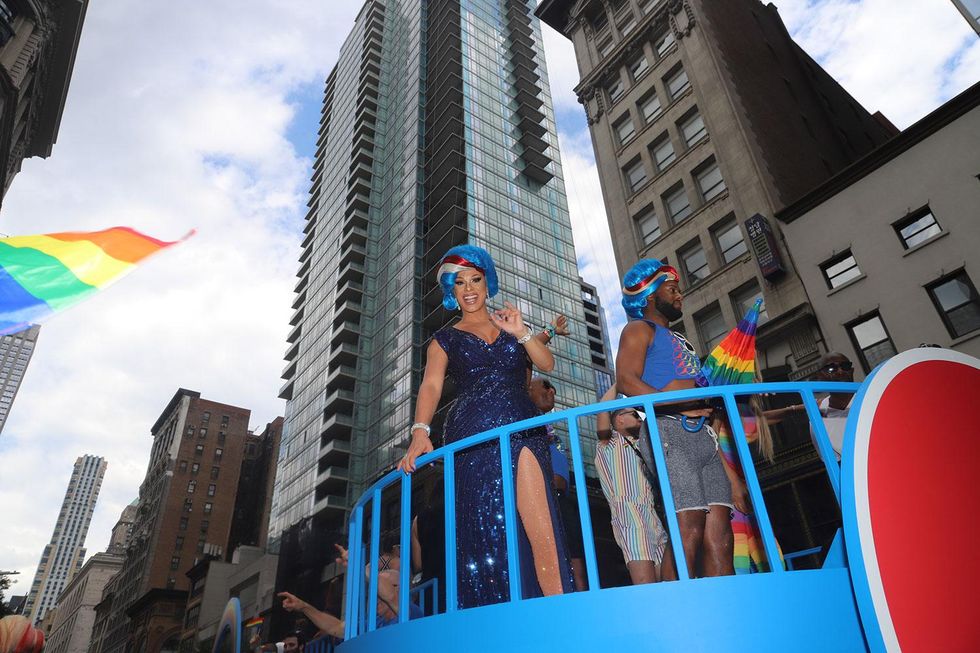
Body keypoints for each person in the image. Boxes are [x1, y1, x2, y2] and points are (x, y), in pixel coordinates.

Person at [398, 245, 574, 608]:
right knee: (487, 533)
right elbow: (431, 385)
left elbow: (547, 363)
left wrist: (522, 331)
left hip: (522, 425)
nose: (469, 288)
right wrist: (420, 432)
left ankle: (561, 617)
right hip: (472, 432)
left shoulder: (509, 325)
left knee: (540, 525)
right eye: (459, 282)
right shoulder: (443, 339)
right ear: (452, 291)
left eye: (475, 279)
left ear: (486, 280)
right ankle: (495, 627)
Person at [615, 258, 734, 578]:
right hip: (668, 431)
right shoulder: (638, 329)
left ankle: (726, 611)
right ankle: (676, 609)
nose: (680, 295)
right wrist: (675, 403)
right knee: (688, 526)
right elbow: (626, 380)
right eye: (672, 289)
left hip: (703, 438)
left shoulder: (682, 339)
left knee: (721, 534)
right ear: (651, 295)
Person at [594, 384, 670, 584]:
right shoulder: (610, 443)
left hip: (654, 516)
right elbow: (602, 408)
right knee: (646, 584)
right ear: (619, 419)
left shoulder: (645, 445)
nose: (640, 418)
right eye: (635, 414)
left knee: (668, 581)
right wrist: (621, 380)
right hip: (629, 514)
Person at [528, 376, 588, 591]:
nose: (551, 391)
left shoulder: (547, 428)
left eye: (552, 388)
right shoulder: (523, 422)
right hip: (542, 502)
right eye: (545, 386)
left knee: (577, 565)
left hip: (563, 502)